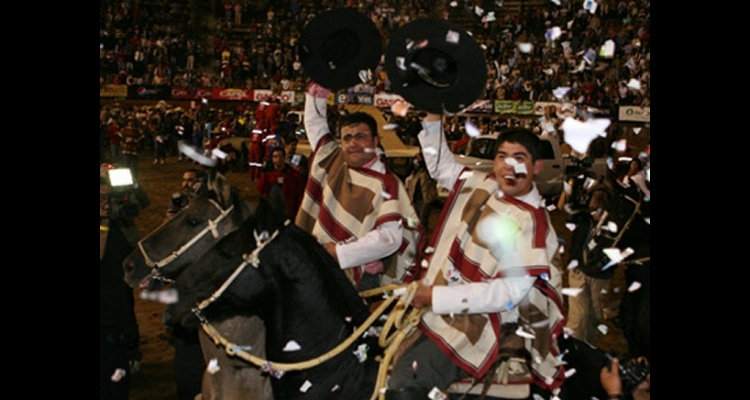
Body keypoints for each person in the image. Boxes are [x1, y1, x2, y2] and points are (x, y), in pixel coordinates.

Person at [386, 117, 566, 397]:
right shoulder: (486, 184)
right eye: (502, 157)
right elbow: (440, 166)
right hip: (448, 304)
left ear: (536, 167)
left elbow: (506, 294)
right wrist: (433, 119)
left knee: (404, 382)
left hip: (485, 321)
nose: (509, 166)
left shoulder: (533, 223)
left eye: (519, 158)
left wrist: (435, 297)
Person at [295, 82, 423, 291]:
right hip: (318, 265)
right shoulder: (334, 160)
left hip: (361, 279)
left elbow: (389, 239)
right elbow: (316, 125)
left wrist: (339, 253)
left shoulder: (387, 183)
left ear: (375, 140)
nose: (353, 143)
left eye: (360, 137)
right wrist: (320, 85)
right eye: (347, 138)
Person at [163, 167, 208, 400]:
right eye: (184, 180)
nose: (187, 185)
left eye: (192, 180)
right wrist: (170, 225)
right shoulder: (179, 206)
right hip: (181, 294)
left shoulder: (211, 211)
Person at [100, 176, 141, 400]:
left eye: (108, 197)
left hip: (118, 317)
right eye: (100, 198)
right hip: (103, 323)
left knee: (118, 384)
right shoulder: (105, 225)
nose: (106, 203)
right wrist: (104, 221)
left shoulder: (115, 228)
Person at [565, 186, 614, 346]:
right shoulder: (583, 218)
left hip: (599, 277)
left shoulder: (613, 225)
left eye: (602, 197)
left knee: (595, 318)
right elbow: (561, 207)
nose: (598, 199)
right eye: (595, 196)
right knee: (579, 315)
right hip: (578, 272)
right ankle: (570, 351)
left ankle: (589, 349)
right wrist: (569, 186)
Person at [256, 146, 305, 220]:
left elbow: (300, 194)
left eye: (281, 156)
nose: (278, 159)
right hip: (272, 213)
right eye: (275, 156)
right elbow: (260, 191)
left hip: (289, 213)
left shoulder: (294, 175)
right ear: (272, 158)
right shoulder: (267, 175)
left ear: (284, 158)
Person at [404, 151, 437, 234]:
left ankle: (422, 237)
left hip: (424, 198)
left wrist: (421, 160)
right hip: (413, 197)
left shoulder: (428, 171)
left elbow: (429, 169)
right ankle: (414, 234)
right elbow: (407, 171)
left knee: (422, 220)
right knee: (412, 218)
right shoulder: (416, 171)